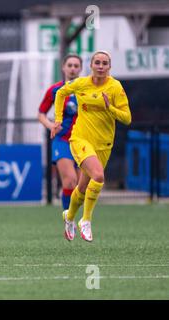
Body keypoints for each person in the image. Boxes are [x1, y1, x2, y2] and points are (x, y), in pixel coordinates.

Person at [51, 50, 131, 242]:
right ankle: (85, 220)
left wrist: (109, 108)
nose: (101, 66)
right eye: (97, 63)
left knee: (83, 186)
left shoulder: (115, 87)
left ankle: (69, 217)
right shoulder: (81, 83)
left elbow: (127, 118)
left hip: (103, 144)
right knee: (99, 176)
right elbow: (61, 92)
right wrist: (58, 120)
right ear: (91, 65)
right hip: (80, 139)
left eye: (105, 63)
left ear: (109, 67)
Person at [38, 54, 82, 211]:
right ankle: (68, 220)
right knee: (70, 180)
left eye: (76, 66)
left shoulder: (86, 89)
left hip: (83, 141)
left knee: (81, 186)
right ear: (63, 68)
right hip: (62, 140)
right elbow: (41, 113)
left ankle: (81, 219)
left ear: (80, 69)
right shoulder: (55, 90)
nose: (72, 68)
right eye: (69, 65)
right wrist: (50, 126)